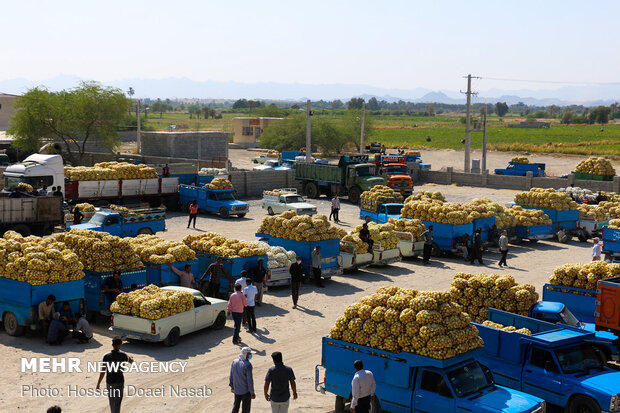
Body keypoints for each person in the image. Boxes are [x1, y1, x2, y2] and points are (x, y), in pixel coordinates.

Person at [97, 337, 134, 413]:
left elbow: (103, 371)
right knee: (118, 402)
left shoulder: (106, 356)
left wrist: (98, 383)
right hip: (119, 381)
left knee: (112, 401)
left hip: (110, 381)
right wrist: (131, 357)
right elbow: (131, 361)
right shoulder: (123, 355)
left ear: (112, 345)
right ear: (120, 345)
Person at [229, 347, 256, 413]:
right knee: (245, 409)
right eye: (249, 354)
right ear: (246, 354)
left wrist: (232, 386)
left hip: (237, 390)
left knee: (235, 407)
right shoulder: (248, 365)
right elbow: (250, 381)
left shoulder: (234, 362)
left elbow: (231, 375)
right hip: (246, 392)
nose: (250, 356)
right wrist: (252, 392)